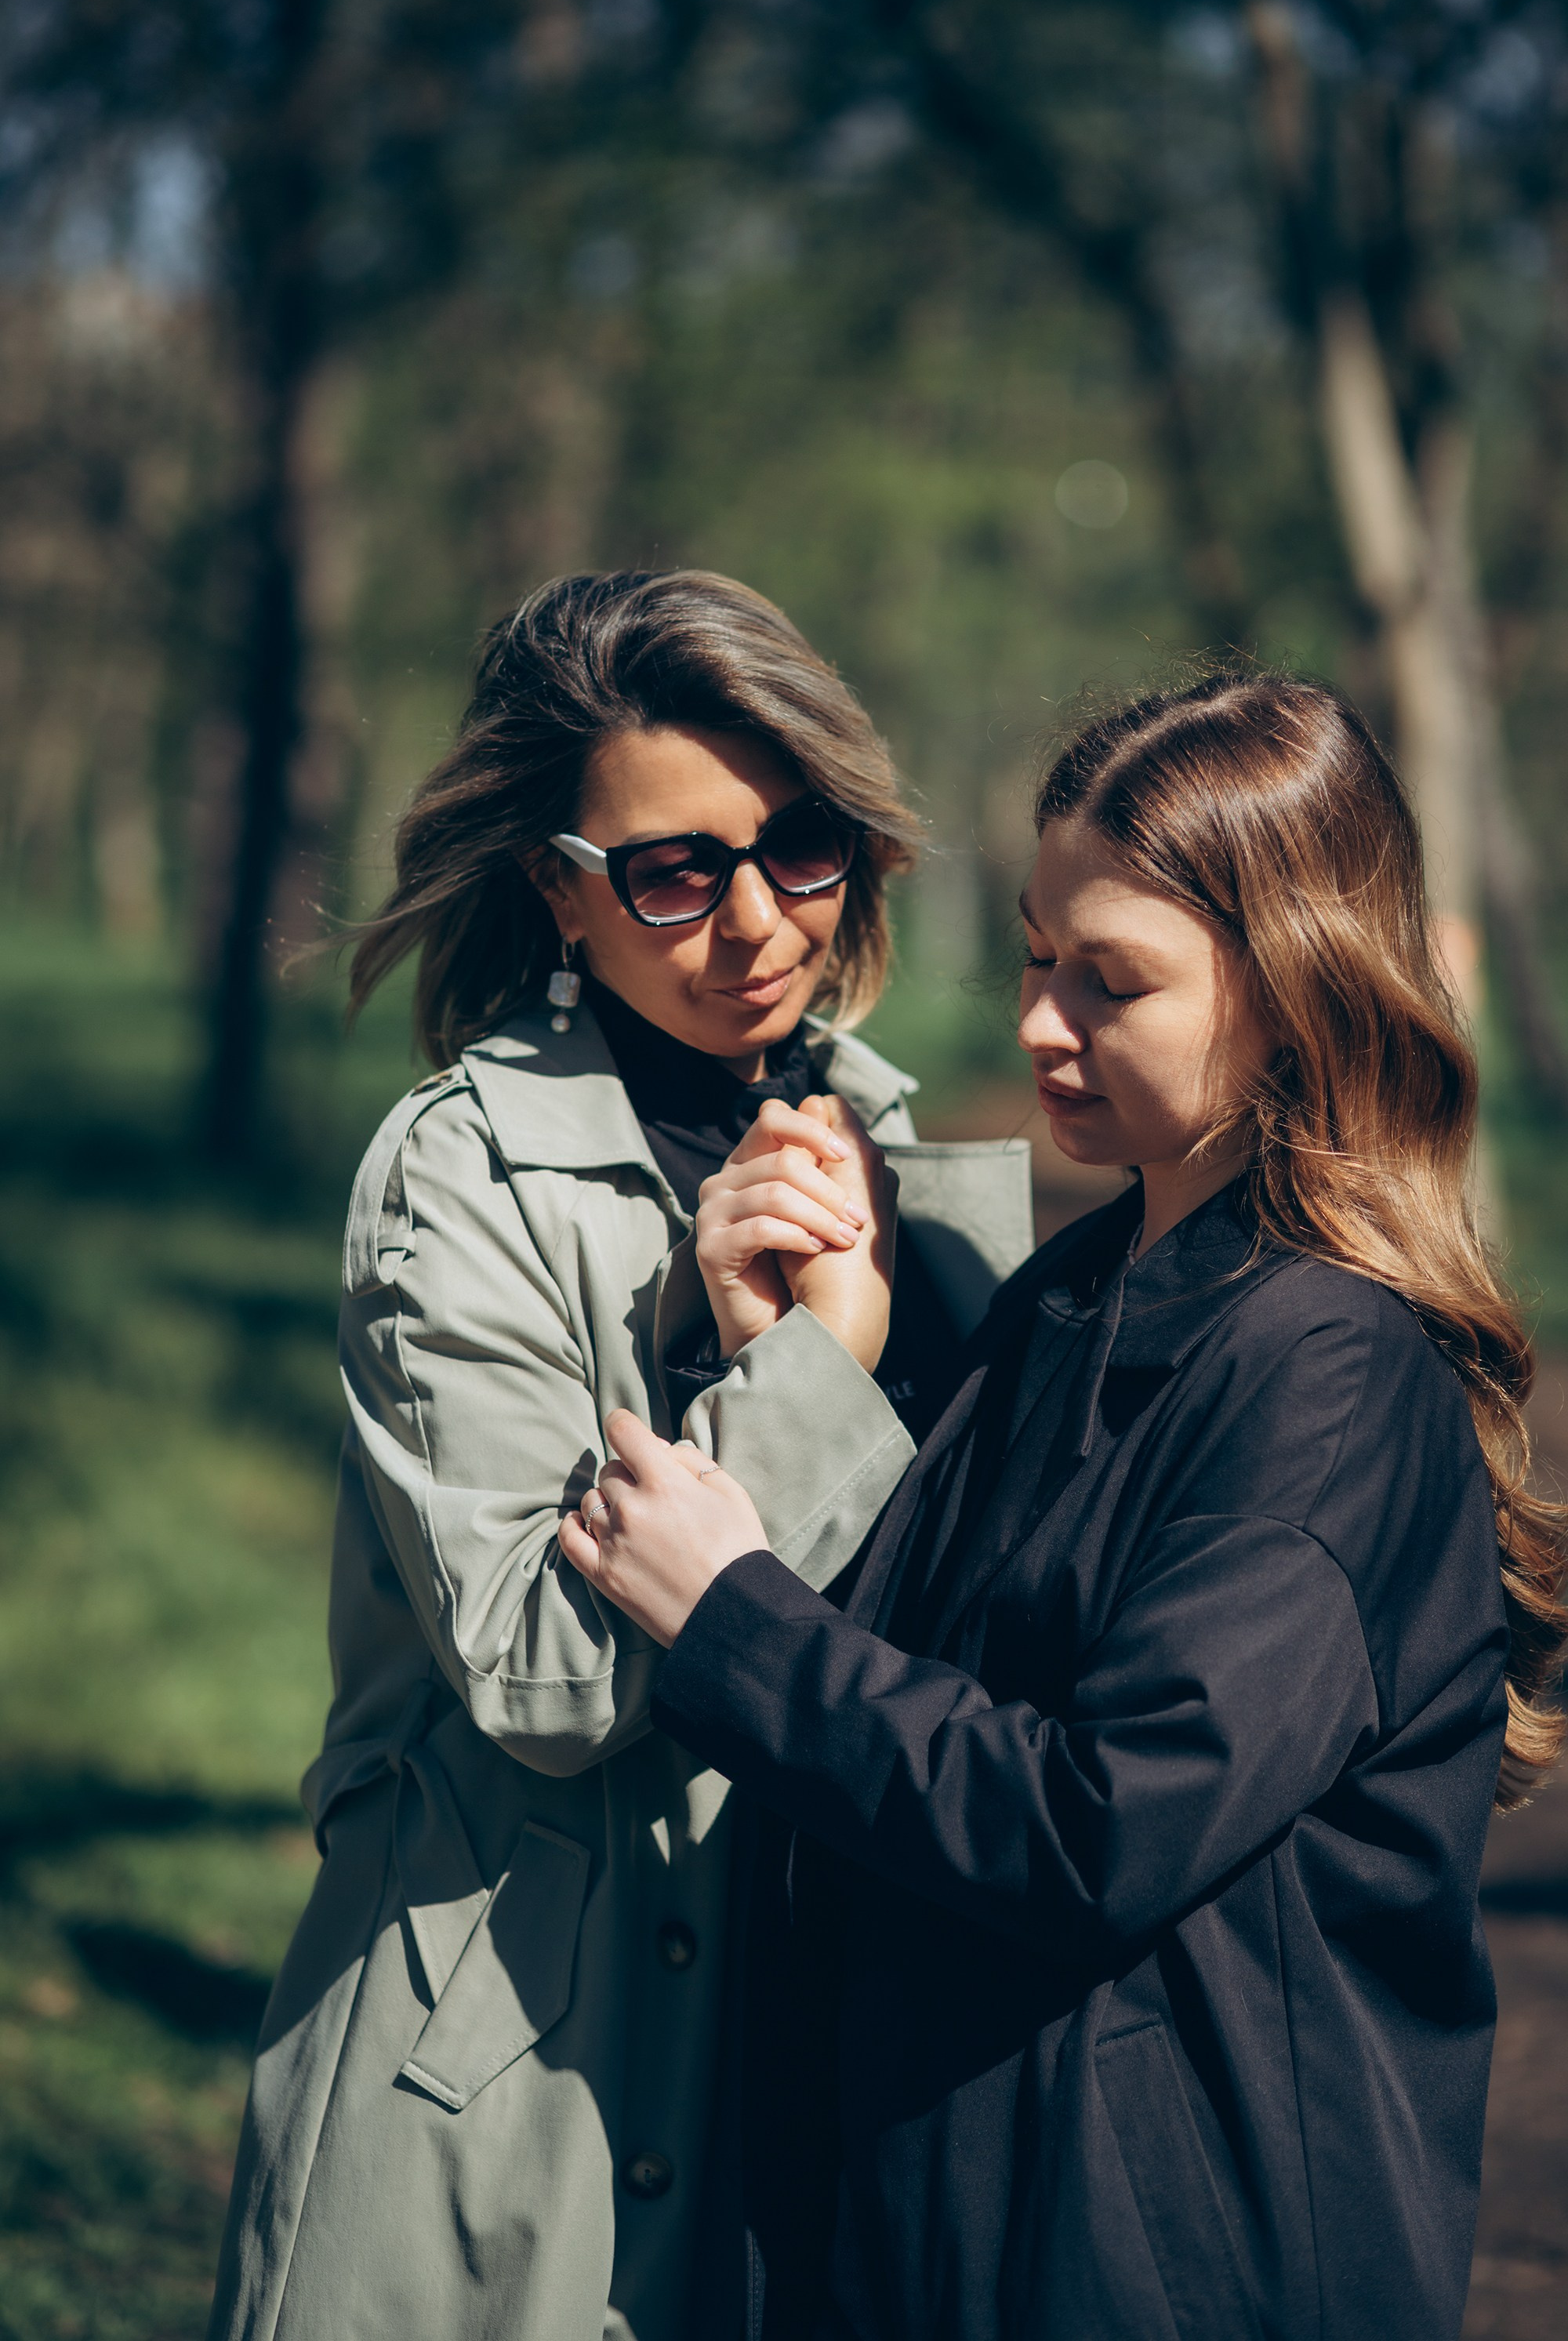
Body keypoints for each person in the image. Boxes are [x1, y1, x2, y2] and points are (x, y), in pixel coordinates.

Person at [559, 670, 1568, 2341]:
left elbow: (1095, 1824)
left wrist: (726, 1616)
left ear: (1294, 992)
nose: (1040, 1024)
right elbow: (940, 1652)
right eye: (1038, 958)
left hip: (1164, 2266)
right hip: (952, 2226)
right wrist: (806, 1361)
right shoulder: (1073, 1287)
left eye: (1111, 983)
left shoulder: (1331, 1375)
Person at [206, 569, 1034, 2341]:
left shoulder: (896, 1156)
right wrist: (807, 1366)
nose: (752, 921)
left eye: (798, 845)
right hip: (503, 2099)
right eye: (673, 870)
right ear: (555, 894)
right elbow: (536, 1669)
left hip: (806, 2083)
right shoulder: (455, 1181)